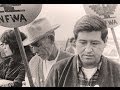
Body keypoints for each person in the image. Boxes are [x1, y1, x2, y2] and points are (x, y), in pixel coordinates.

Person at [45, 15, 120, 87]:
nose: (88, 50)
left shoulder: (118, 72)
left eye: (94, 43)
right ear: (75, 41)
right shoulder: (58, 71)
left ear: (105, 41)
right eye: (83, 43)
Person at [22, 18, 72, 87]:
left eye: (37, 44)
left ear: (51, 39)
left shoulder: (72, 62)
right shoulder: (33, 63)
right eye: (32, 46)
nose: (34, 51)